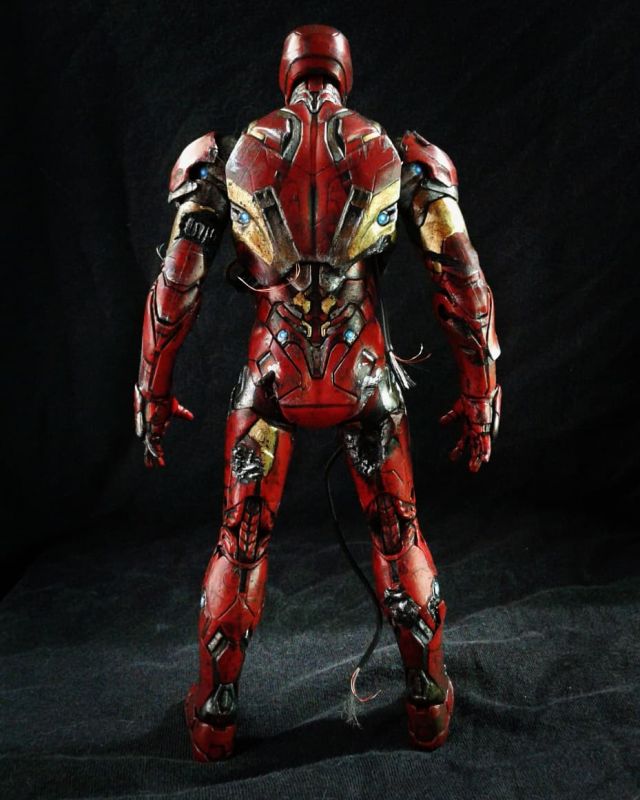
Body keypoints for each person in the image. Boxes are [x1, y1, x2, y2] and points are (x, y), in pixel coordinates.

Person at [134, 23, 501, 761]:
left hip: (270, 381)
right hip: (364, 380)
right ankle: (428, 704)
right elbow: (463, 280)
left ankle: (213, 717)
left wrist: (153, 390)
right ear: (343, 72)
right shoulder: (397, 155)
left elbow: (175, 288)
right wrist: (481, 392)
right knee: (398, 534)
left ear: (287, 72)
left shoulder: (228, 158)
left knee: (241, 541)